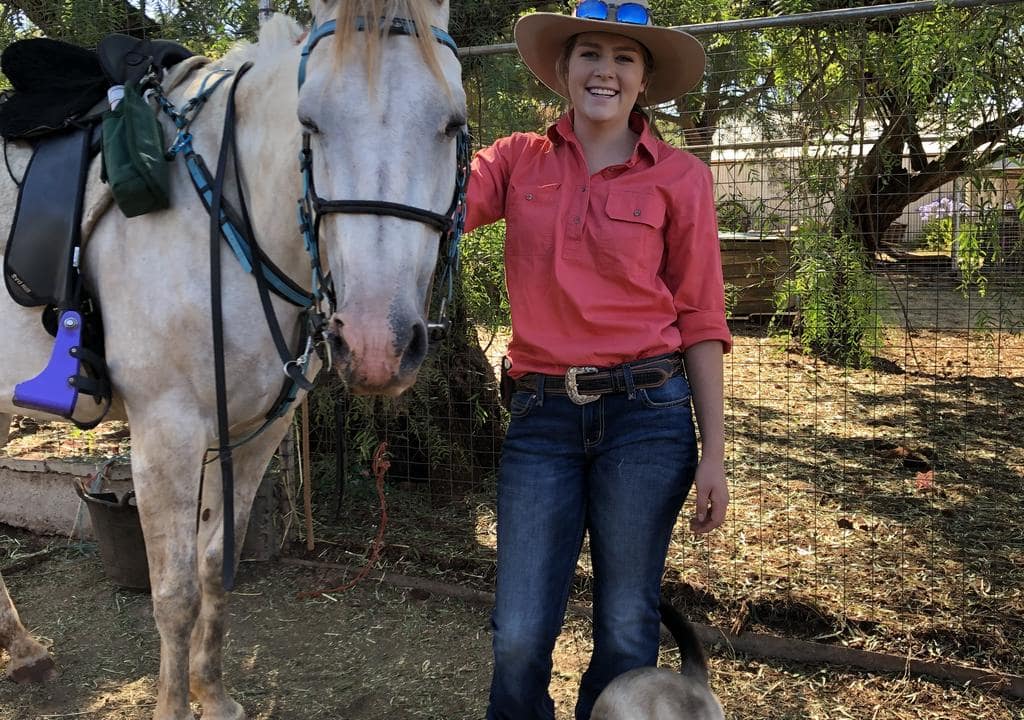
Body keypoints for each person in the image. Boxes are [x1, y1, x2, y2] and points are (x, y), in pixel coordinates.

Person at [463, 2, 732, 718]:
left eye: (624, 58)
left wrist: (715, 453)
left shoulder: (681, 179)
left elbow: (703, 318)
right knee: (519, 633)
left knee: (624, 627)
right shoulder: (516, 160)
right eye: (589, 53)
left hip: (649, 418)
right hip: (542, 415)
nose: (605, 70)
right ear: (562, 70)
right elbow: (433, 203)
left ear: (644, 80)